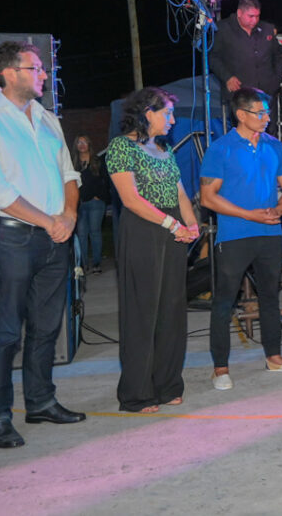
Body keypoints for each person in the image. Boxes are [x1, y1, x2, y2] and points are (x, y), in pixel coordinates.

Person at [0, 40, 86, 448]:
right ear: (9, 73)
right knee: (6, 332)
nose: (44, 74)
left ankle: (41, 401)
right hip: (10, 238)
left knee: (47, 328)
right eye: (36, 68)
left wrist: (69, 217)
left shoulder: (47, 119)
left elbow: (69, 174)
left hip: (54, 238)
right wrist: (51, 221)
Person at [200, 87, 282, 391]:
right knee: (225, 301)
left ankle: (274, 357)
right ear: (241, 115)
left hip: (270, 234)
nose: (266, 118)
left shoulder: (275, 146)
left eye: (267, 112)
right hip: (235, 236)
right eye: (260, 113)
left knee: (270, 297)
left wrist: (278, 211)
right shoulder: (221, 148)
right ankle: (220, 368)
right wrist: (249, 215)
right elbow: (208, 197)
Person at [106, 87, 200, 413]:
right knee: (143, 311)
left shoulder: (164, 149)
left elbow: (180, 193)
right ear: (148, 113)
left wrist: (192, 225)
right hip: (144, 230)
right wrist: (174, 225)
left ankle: (167, 385)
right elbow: (131, 199)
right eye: (168, 113)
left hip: (172, 229)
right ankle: (137, 393)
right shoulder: (121, 147)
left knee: (171, 310)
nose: (172, 120)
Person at [209, 0, 282, 134]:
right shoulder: (223, 29)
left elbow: (277, 53)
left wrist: (276, 77)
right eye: (250, 16)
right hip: (240, 95)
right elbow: (213, 57)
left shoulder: (266, 29)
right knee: (243, 134)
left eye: (257, 16)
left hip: (266, 93)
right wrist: (227, 77)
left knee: (268, 133)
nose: (254, 20)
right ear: (239, 13)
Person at [71, 135, 109, 274]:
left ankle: (96, 263)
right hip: (79, 203)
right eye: (79, 142)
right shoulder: (73, 163)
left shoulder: (97, 161)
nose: (82, 145)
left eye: (84, 142)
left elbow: (106, 180)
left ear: (89, 144)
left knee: (95, 232)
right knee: (81, 234)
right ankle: (83, 264)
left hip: (95, 203)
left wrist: (100, 196)